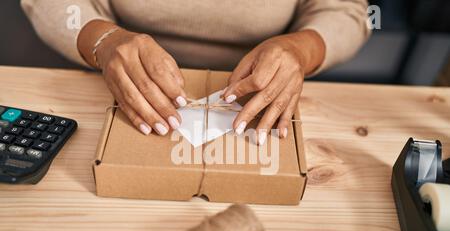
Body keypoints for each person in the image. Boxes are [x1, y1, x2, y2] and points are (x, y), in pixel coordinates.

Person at [22, 0, 370, 145]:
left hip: (260, 88)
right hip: (115, 78)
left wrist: (300, 49)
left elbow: (347, 11)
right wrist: (104, 40)